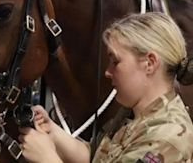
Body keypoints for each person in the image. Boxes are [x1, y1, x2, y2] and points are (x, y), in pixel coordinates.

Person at [19, 12, 193, 163]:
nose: (108, 72)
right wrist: (53, 132)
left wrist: (47, 158)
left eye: (116, 62)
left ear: (150, 63)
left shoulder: (167, 137)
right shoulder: (131, 115)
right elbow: (95, 157)